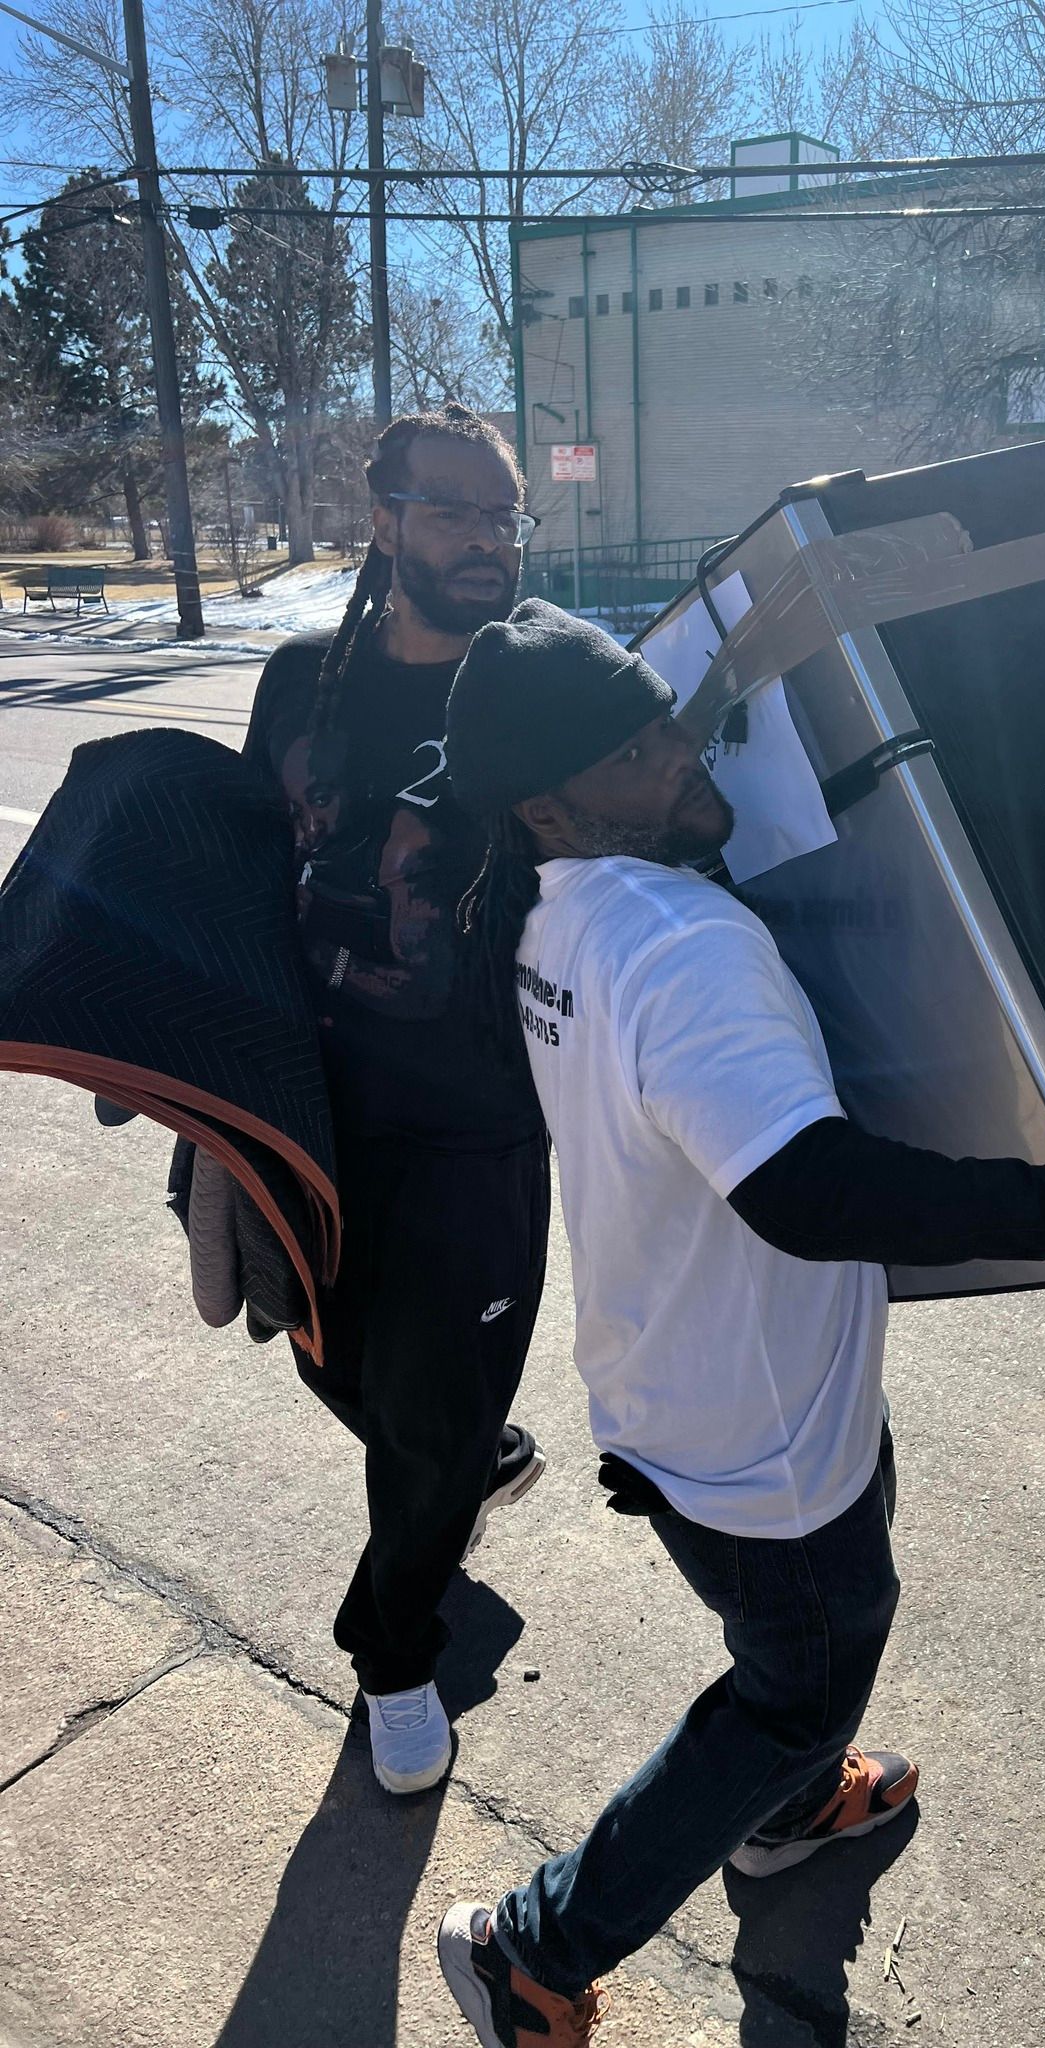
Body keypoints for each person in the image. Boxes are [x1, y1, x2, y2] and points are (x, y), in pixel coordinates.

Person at [431, 604, 1045, 2045]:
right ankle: (537, 1948)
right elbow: (810, 1191)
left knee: (810, 1647)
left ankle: (790, 1809)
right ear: (552, 802)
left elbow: (661, 775)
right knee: (799, 1677)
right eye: (636, 740)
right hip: (761, 1441)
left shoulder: (555, 912)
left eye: (668, 712)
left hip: (688, 1388)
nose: (676, 746)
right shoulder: (684, 945)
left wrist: (732, 666)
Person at [241, 406, 550, 1795]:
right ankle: (454, 1463)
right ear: (383, 518)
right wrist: (205, 1094)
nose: (485, 540)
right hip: (318, 1105)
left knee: (427, 1415)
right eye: (454, 511)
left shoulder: (548, 693)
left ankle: (394, 1653)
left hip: (486, 1125)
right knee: (331, 1360)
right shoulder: (305, 682)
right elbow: (243, 888)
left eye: (505, 516)